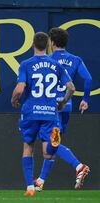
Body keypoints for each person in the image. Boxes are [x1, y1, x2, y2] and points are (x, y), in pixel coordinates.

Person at [11, 32, 75, 196]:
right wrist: (62, 102)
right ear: (48, 45)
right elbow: (71, 87)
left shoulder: (26, 64)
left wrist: (14, 99)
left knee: (28, 147)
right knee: (49, 150)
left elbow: (20, 88)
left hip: (31, 112)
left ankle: (30, 188)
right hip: (50, 113)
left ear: (33, 45)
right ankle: (68, 165)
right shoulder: (57, 65)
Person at [34, 28, 91, 191]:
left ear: (51, 42)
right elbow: (88, 79)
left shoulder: (48, 60)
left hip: (52, 108)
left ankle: (79, 166)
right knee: (55, 141)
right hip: (67, 106)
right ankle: (41, 180)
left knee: (51, 142)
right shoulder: (75, 59)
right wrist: (85, 100)